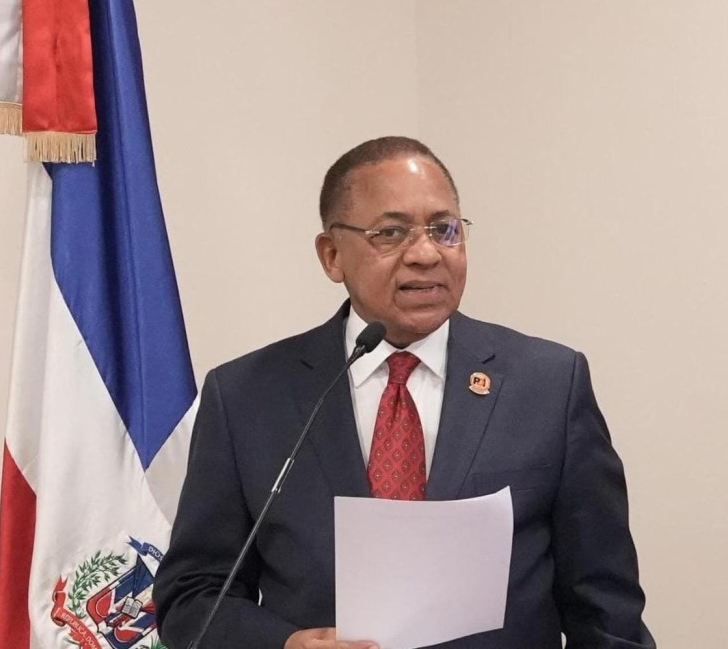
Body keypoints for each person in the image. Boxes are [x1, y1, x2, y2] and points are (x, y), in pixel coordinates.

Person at [154, 136, 655, 649]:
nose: (425, 254)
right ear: (332, 255)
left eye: (444, 229)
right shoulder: (245, 396)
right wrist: (285, 645)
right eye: (391, 233)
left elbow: (606, 611)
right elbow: (191, 596)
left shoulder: (549, 385)